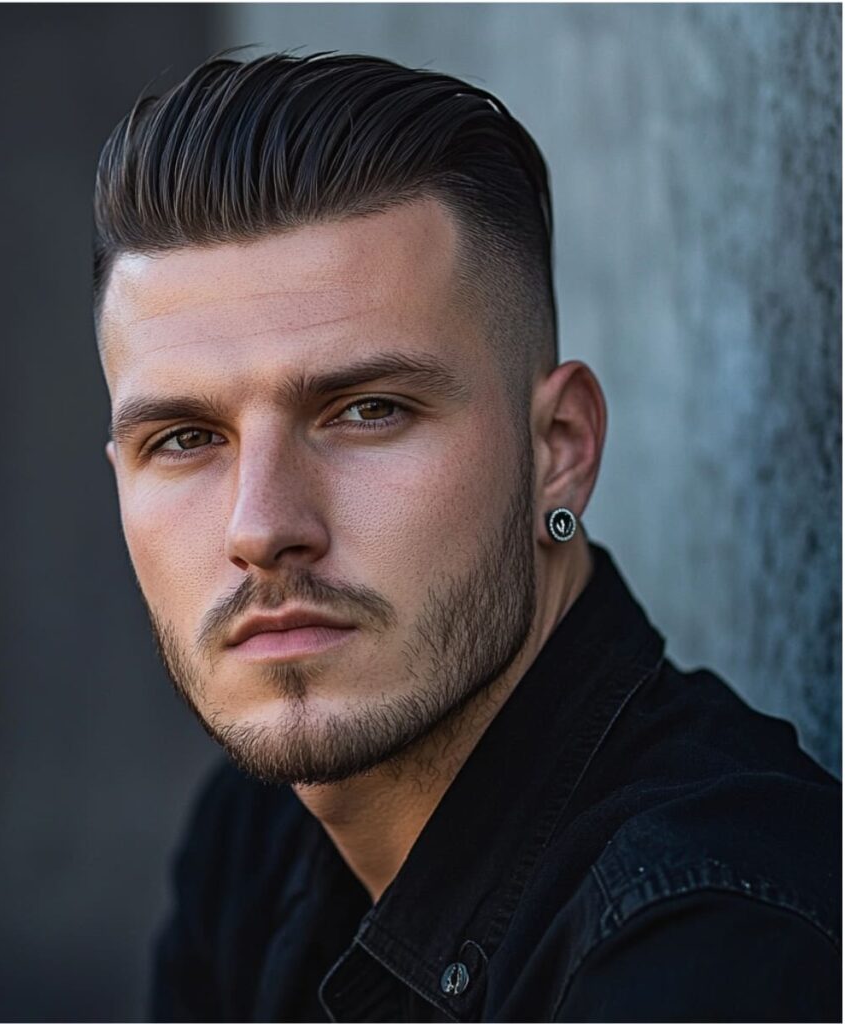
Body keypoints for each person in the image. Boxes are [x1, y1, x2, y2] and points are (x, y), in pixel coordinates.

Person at [93, 51, 840, 1022]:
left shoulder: (709, 946)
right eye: (187, 438)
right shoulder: (257, 836)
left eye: (365, 410)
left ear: (558, 452)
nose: (261, 527)